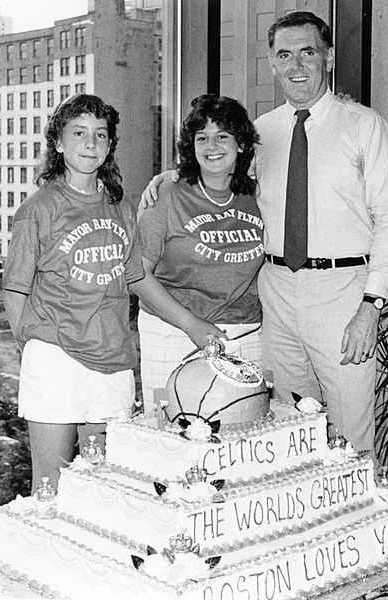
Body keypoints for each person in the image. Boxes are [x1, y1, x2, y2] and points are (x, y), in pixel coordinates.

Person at [142, 12, 388, 452]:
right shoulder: (262, 133)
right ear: (271, 63)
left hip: (344, 293)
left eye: (308, 52)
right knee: (288, 430)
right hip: (278, 295)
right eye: (284, 55)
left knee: (352, 435)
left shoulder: (364, 125)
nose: (296, 65)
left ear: (326, 59)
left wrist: (371, 305)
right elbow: (221, 168)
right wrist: (173, 176)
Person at [3, 94, 207, 491]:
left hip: (113, 360)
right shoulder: (38, 209)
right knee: (51, 484)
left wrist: (193, 324)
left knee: (104, 486)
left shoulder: (122, 207)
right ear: (58, 142)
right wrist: (34, 348)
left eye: (100, 135)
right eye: (78, 133)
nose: (90, 144)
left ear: (110, 145)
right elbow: (15, 290)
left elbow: (138, 279)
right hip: (56, 359)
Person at [137, 94, 263, 413]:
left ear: (242, 144)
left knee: (241, 436)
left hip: (246, 334)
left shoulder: (261, 195)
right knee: (171, 435)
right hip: (173, 331)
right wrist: (191, 324)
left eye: (222, 136)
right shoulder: (167, 195)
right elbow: (136, 274)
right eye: (202, 137)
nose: (212, 146)